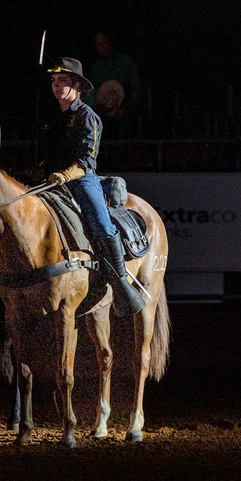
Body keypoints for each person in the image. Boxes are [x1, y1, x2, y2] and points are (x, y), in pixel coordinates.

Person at [42, 56, 145, 318]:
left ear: (76, 85)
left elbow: (87, 160)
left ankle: (120, 280)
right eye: (54, 81)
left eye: (62, 80)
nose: (55, 86)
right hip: (50, 179)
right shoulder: (51, 117)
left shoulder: (88, 117)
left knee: (100, 219)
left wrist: (65, 175)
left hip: (80, 178)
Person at [83, 31, 143, 136]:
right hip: (102, 114)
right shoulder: (97, 67)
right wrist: (95, 107)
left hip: (125, 112)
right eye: (98, 44)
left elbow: (136, 89)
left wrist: (126, 108)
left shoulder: (126, 62)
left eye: (104, 43)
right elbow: (90, 91)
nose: (102, 47)